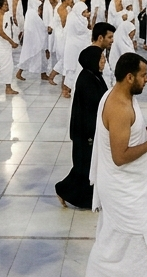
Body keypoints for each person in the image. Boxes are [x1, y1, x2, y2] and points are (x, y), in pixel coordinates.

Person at [85, 52, 147, 277]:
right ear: (129, 77)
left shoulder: (119, 96)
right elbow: (120, 156)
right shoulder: (119, 107)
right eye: (143, 75)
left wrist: (146, 133)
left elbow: (127, 135)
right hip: (122, 192)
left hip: (126, 188)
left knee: (120, 241)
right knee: (128, 240)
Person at [55, 43, 109, 209]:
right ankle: (63, 190)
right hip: (85, 132)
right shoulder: (86, 79)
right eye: (101, 58)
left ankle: (87, 198)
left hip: (91, 129)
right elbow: (89, 109)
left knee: (86, 166)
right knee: (83, 167)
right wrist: (91, 135)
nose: (104, 61)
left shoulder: (94, 76)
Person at [0, 0, 19, 96]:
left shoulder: (5, 15)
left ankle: (8, 87)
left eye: (7, 4)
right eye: (5, 5)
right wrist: (11, 42)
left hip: (4, 44)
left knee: (8, 66)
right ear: (0, 7)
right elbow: (0, 32)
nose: (7, 6)